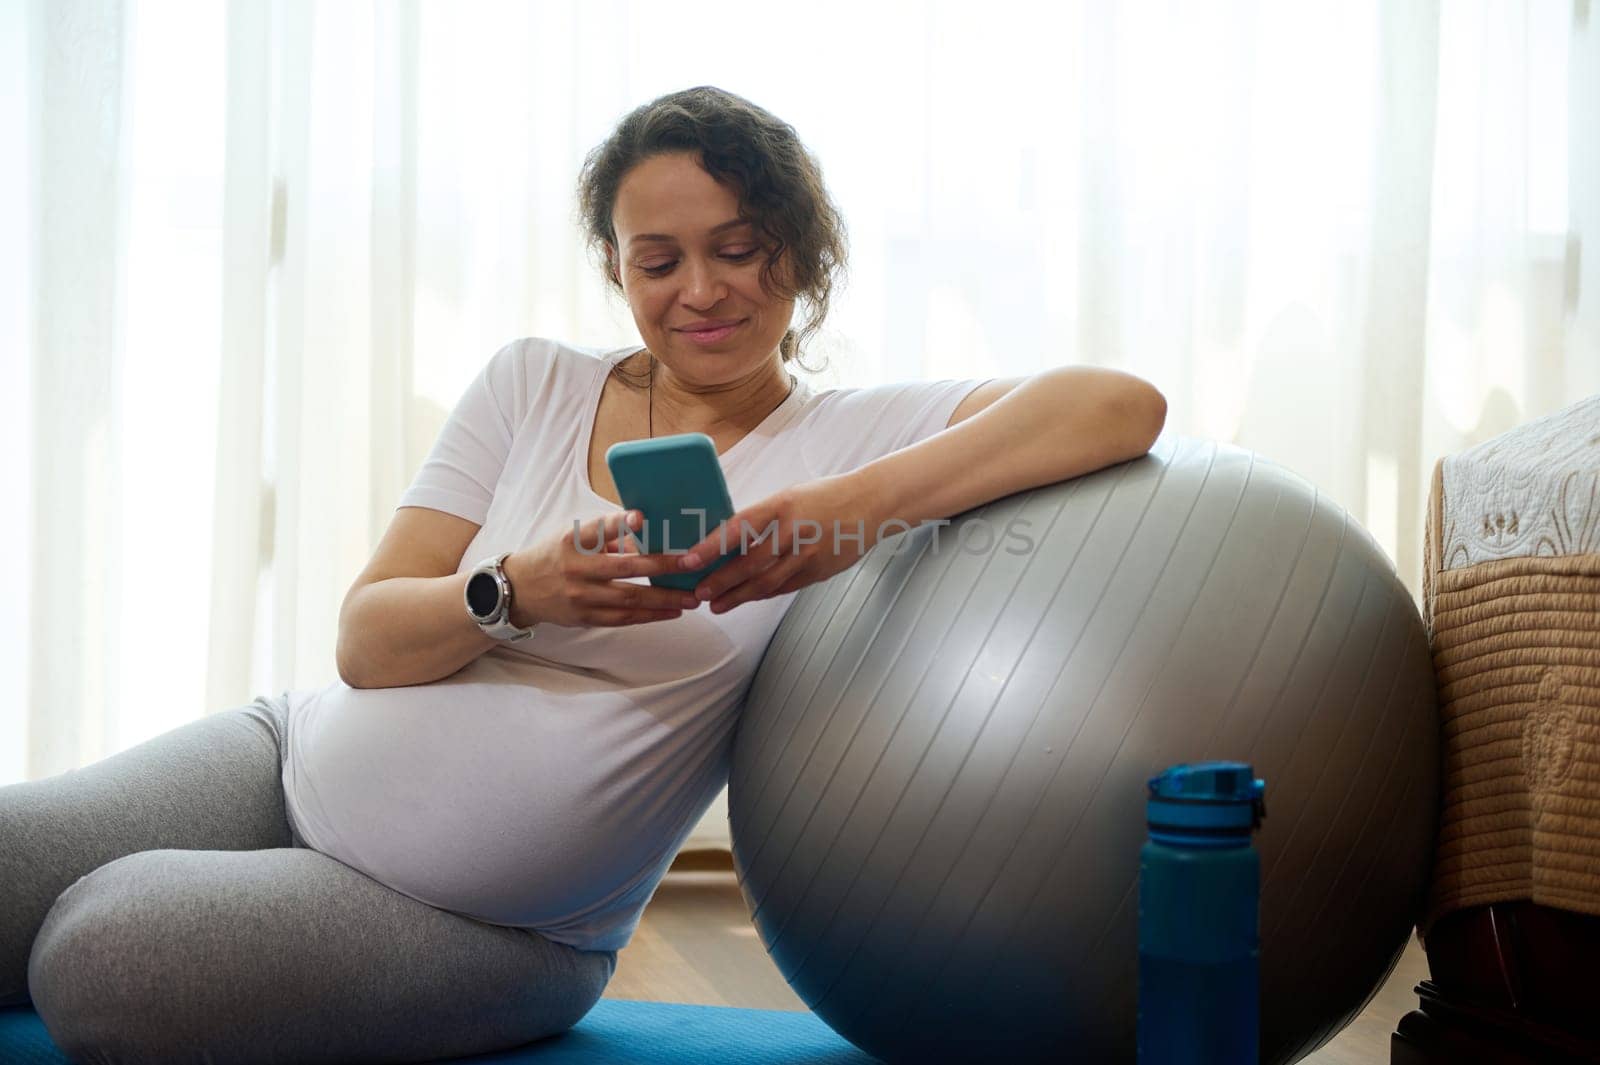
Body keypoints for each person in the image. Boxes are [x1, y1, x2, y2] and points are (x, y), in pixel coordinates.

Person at [0, 86, 1167, 1063]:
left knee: (102, 954)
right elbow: (365, 641)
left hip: (493, 930)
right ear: (615, 269)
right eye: (656, 260)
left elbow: (1118, 405)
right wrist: (515, 592)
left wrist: (834, 512)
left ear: (802, 258)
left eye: (737, 250)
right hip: (285, 761)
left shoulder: (857, 437)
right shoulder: (532, 385)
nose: (698, 291)